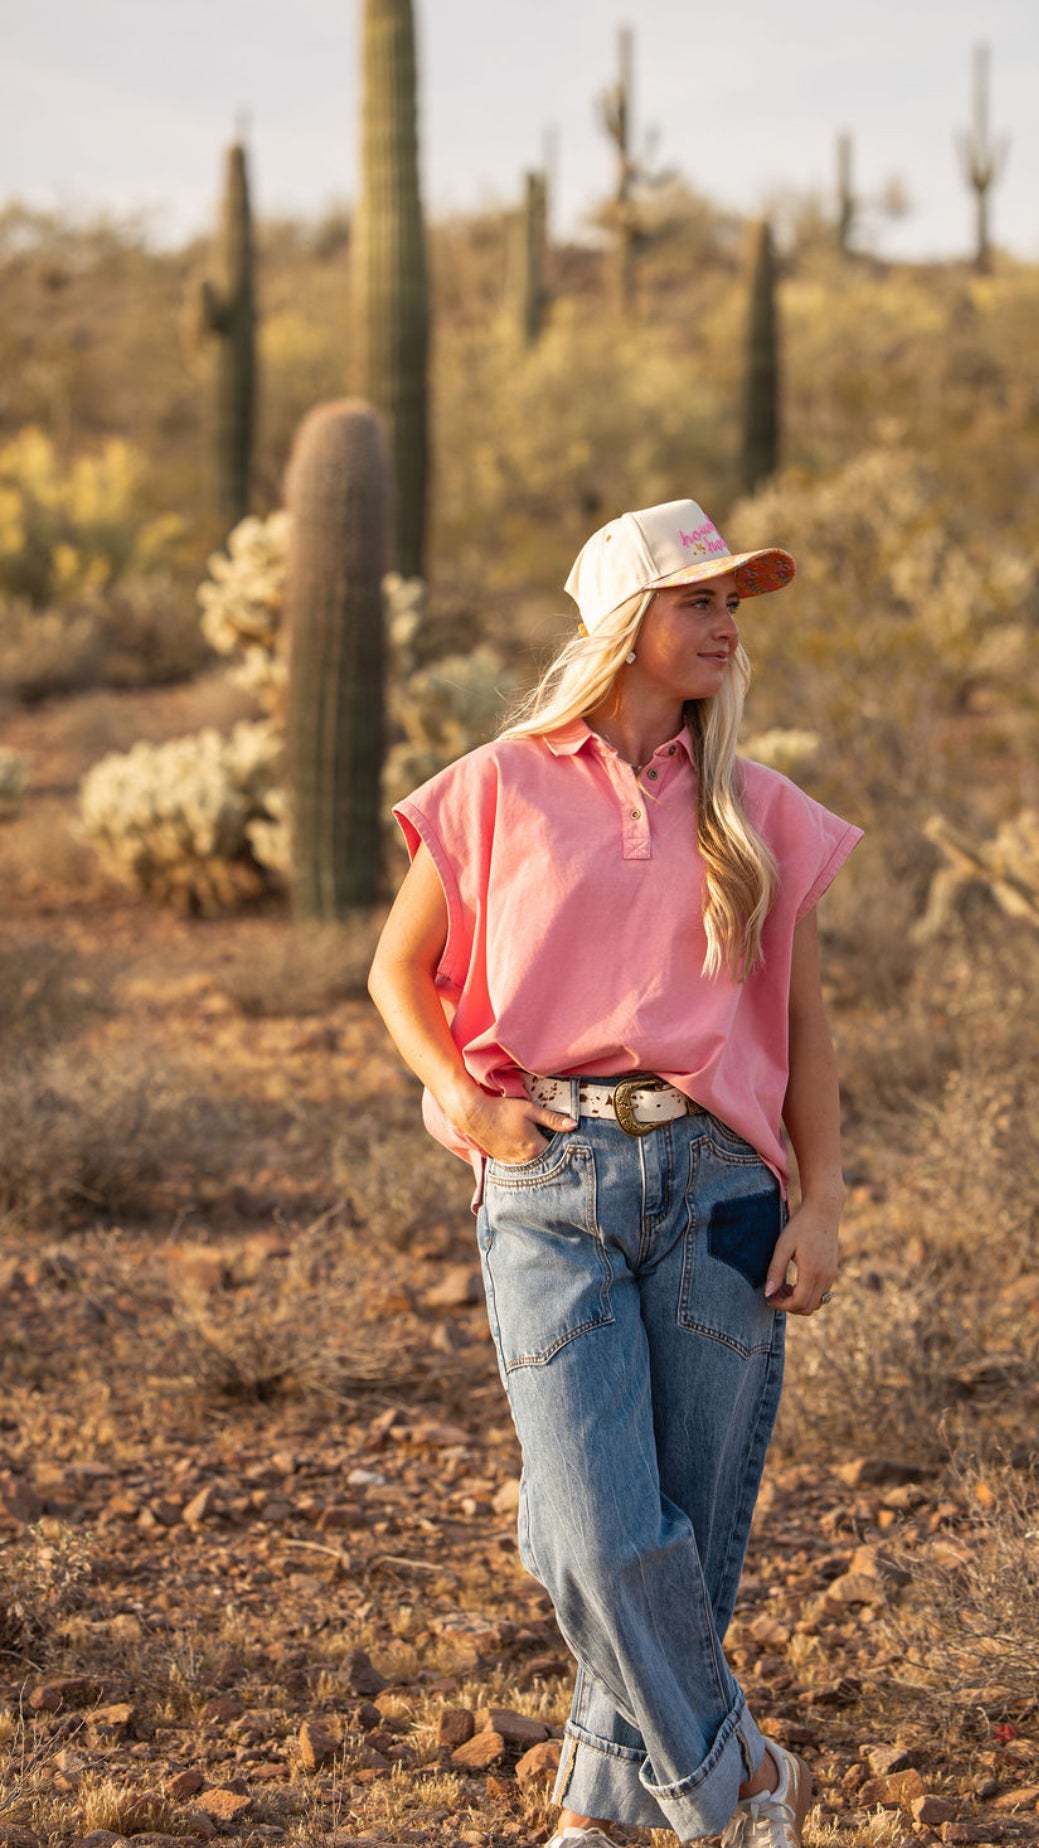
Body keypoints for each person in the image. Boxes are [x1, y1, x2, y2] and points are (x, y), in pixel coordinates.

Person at [368, 498, 862, 1848]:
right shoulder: (493, 785)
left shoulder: (758, 809)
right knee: (582, 1533)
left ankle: (598, 1809)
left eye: (733, 606)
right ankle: (735, 1786)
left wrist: (820, 1203)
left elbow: (806, 1027)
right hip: (549, 1178)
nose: (722, 624)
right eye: (697, 599)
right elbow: (394, 974)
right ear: (620, 622)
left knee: (681, 1550)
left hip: (723, 1190)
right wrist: (461, 1095)